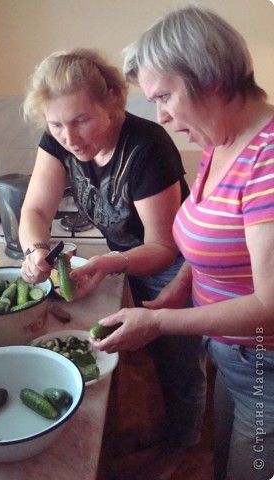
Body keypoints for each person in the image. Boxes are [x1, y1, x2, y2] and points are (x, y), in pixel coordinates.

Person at [90, 5, 274, 480]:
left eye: (165, 95)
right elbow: (213, 243)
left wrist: (163, 323)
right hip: (232, 353)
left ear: (210, 77)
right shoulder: (221, 144)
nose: (162, 116)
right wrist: (175, 292)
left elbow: (271, 304)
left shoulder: (268, 160)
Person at [19, 48, 207, 451]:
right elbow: (35, 208)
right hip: (127, 260)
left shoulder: (146, 148)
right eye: (56, 125)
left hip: (176, 267)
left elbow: (163, 246)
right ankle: (159, 427)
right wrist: (36, 250)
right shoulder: (60, 142)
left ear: (110, 102)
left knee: (178, 365)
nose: (70, 138)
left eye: (81, 120)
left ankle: (183, 447)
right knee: (147, 356)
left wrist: (108, 263)